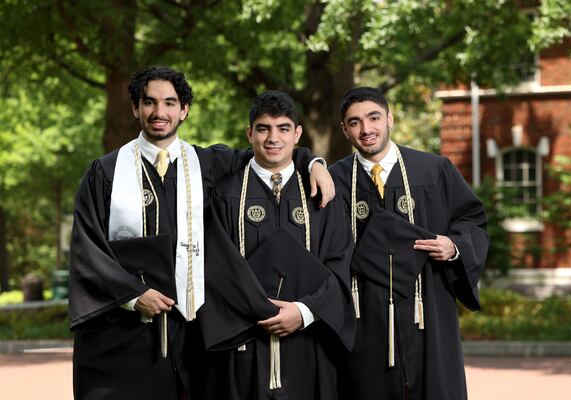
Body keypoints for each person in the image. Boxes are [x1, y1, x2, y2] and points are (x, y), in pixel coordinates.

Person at [68, 66, 335, 400]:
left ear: (184, 110)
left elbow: (269, 151)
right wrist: (134, 295)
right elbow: (86, 248)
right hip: (123, 335)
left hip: (190, 334)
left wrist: (313, 162)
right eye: (149, 102)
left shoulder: (205, 163)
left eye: (169, 103)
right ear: (135, 108)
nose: (159, 112)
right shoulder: (105, 172)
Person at [329, 87, 489, 400]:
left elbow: (472, 220)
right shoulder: (333, 180)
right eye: (355, 122)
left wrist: (454, 245)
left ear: (389, 118)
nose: (366, 129)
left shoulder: (433, 170)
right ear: (344, 130)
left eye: (374, 117)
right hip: (364, 315)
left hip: (426, 307)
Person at [196, 90, 355, 400]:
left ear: (297, 134)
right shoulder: (225, 194)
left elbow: (340, 262)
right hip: (243, 345)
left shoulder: (321, 194)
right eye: (263, 128)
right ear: (249, 133)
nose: (273, 138)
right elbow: (215, 267)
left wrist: (305, 310)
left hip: (308, 343)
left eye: (283, 128)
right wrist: (260, 311)